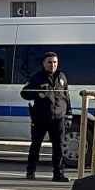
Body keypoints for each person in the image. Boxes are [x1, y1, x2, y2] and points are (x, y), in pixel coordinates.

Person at [20, 51, 72, 182]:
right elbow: (24, 93)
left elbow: (66, 96)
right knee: (36, 145)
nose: (52, 65)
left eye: (55, 62)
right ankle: (30, 171)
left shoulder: (62, 77)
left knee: (58, 147)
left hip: (58, 117)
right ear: (44, 63)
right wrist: (37, 93)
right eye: (49, 62)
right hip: (41, 117)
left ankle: (58, 174)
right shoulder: (36, 77)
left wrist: (69, 114)